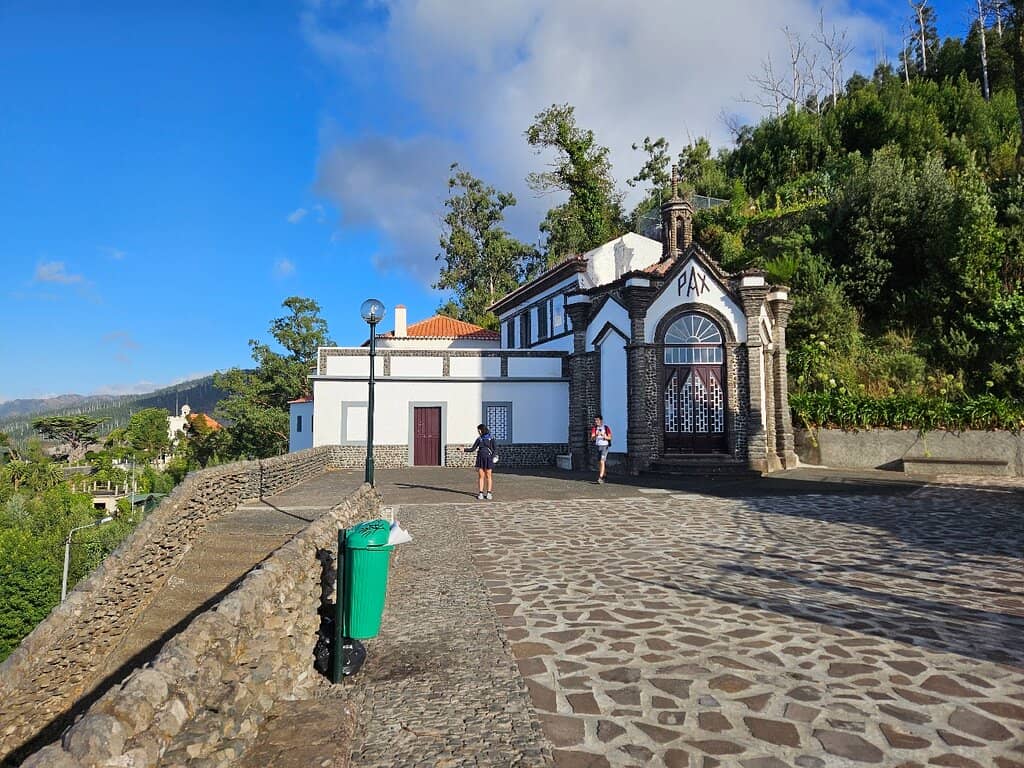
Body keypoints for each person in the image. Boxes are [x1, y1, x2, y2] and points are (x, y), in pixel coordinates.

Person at [464, 423, 496, 500]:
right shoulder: (479, 439)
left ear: (482, 430)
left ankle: (489, 493)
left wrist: (492, 458)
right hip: (480, 459)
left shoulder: (491, 438)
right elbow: (473, 449)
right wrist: (464, 449)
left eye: (479, 430)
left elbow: (495, 449)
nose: (478, 432)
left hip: (488, 459)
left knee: (488, 476)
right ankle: (480, 493)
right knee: (481, 476)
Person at [590, 415, 612, 484]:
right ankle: (604, 475)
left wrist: (604, 436)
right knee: (600, 462)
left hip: (605, 446)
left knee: (602, 461)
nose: (596, 422)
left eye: (597, 420)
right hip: (598, 446)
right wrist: (596, 435)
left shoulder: (606, 428)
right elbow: (592, 438)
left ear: (601, 420)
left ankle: (600, 477)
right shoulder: (594, 428)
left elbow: (610, 438)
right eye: (595, 420)